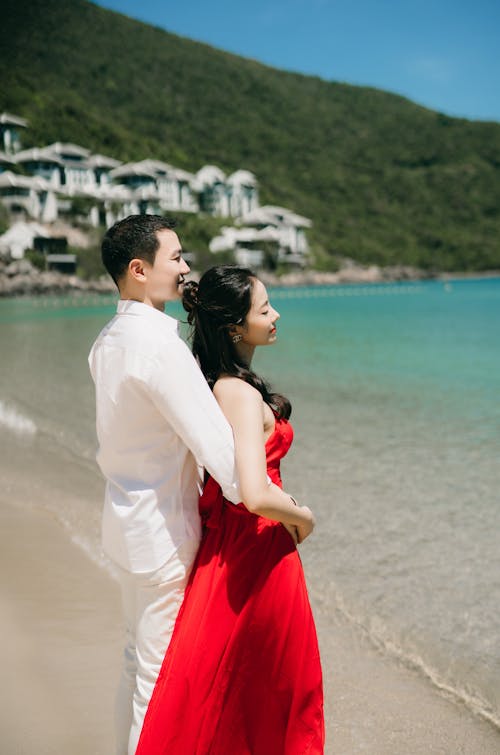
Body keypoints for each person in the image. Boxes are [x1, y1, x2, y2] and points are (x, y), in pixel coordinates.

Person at [136, 266, 324, 754]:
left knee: (246, 684)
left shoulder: (226, 384)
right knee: (281, 685)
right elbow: (254, 492)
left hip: (244, 544)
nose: (276, 314)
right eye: (265, 309)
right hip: (257, 548)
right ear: (236, 327)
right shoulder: (236, 392)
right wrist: (303, 518)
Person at [88, 216, 245, 755]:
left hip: (124, 526)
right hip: (161, 536)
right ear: (138, 270)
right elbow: (221, 454)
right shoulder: (159, 347)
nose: (185, 268)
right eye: (175, 258)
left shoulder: (107, 340)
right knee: (158, 684)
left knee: (135, 668)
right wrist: (272, 505)